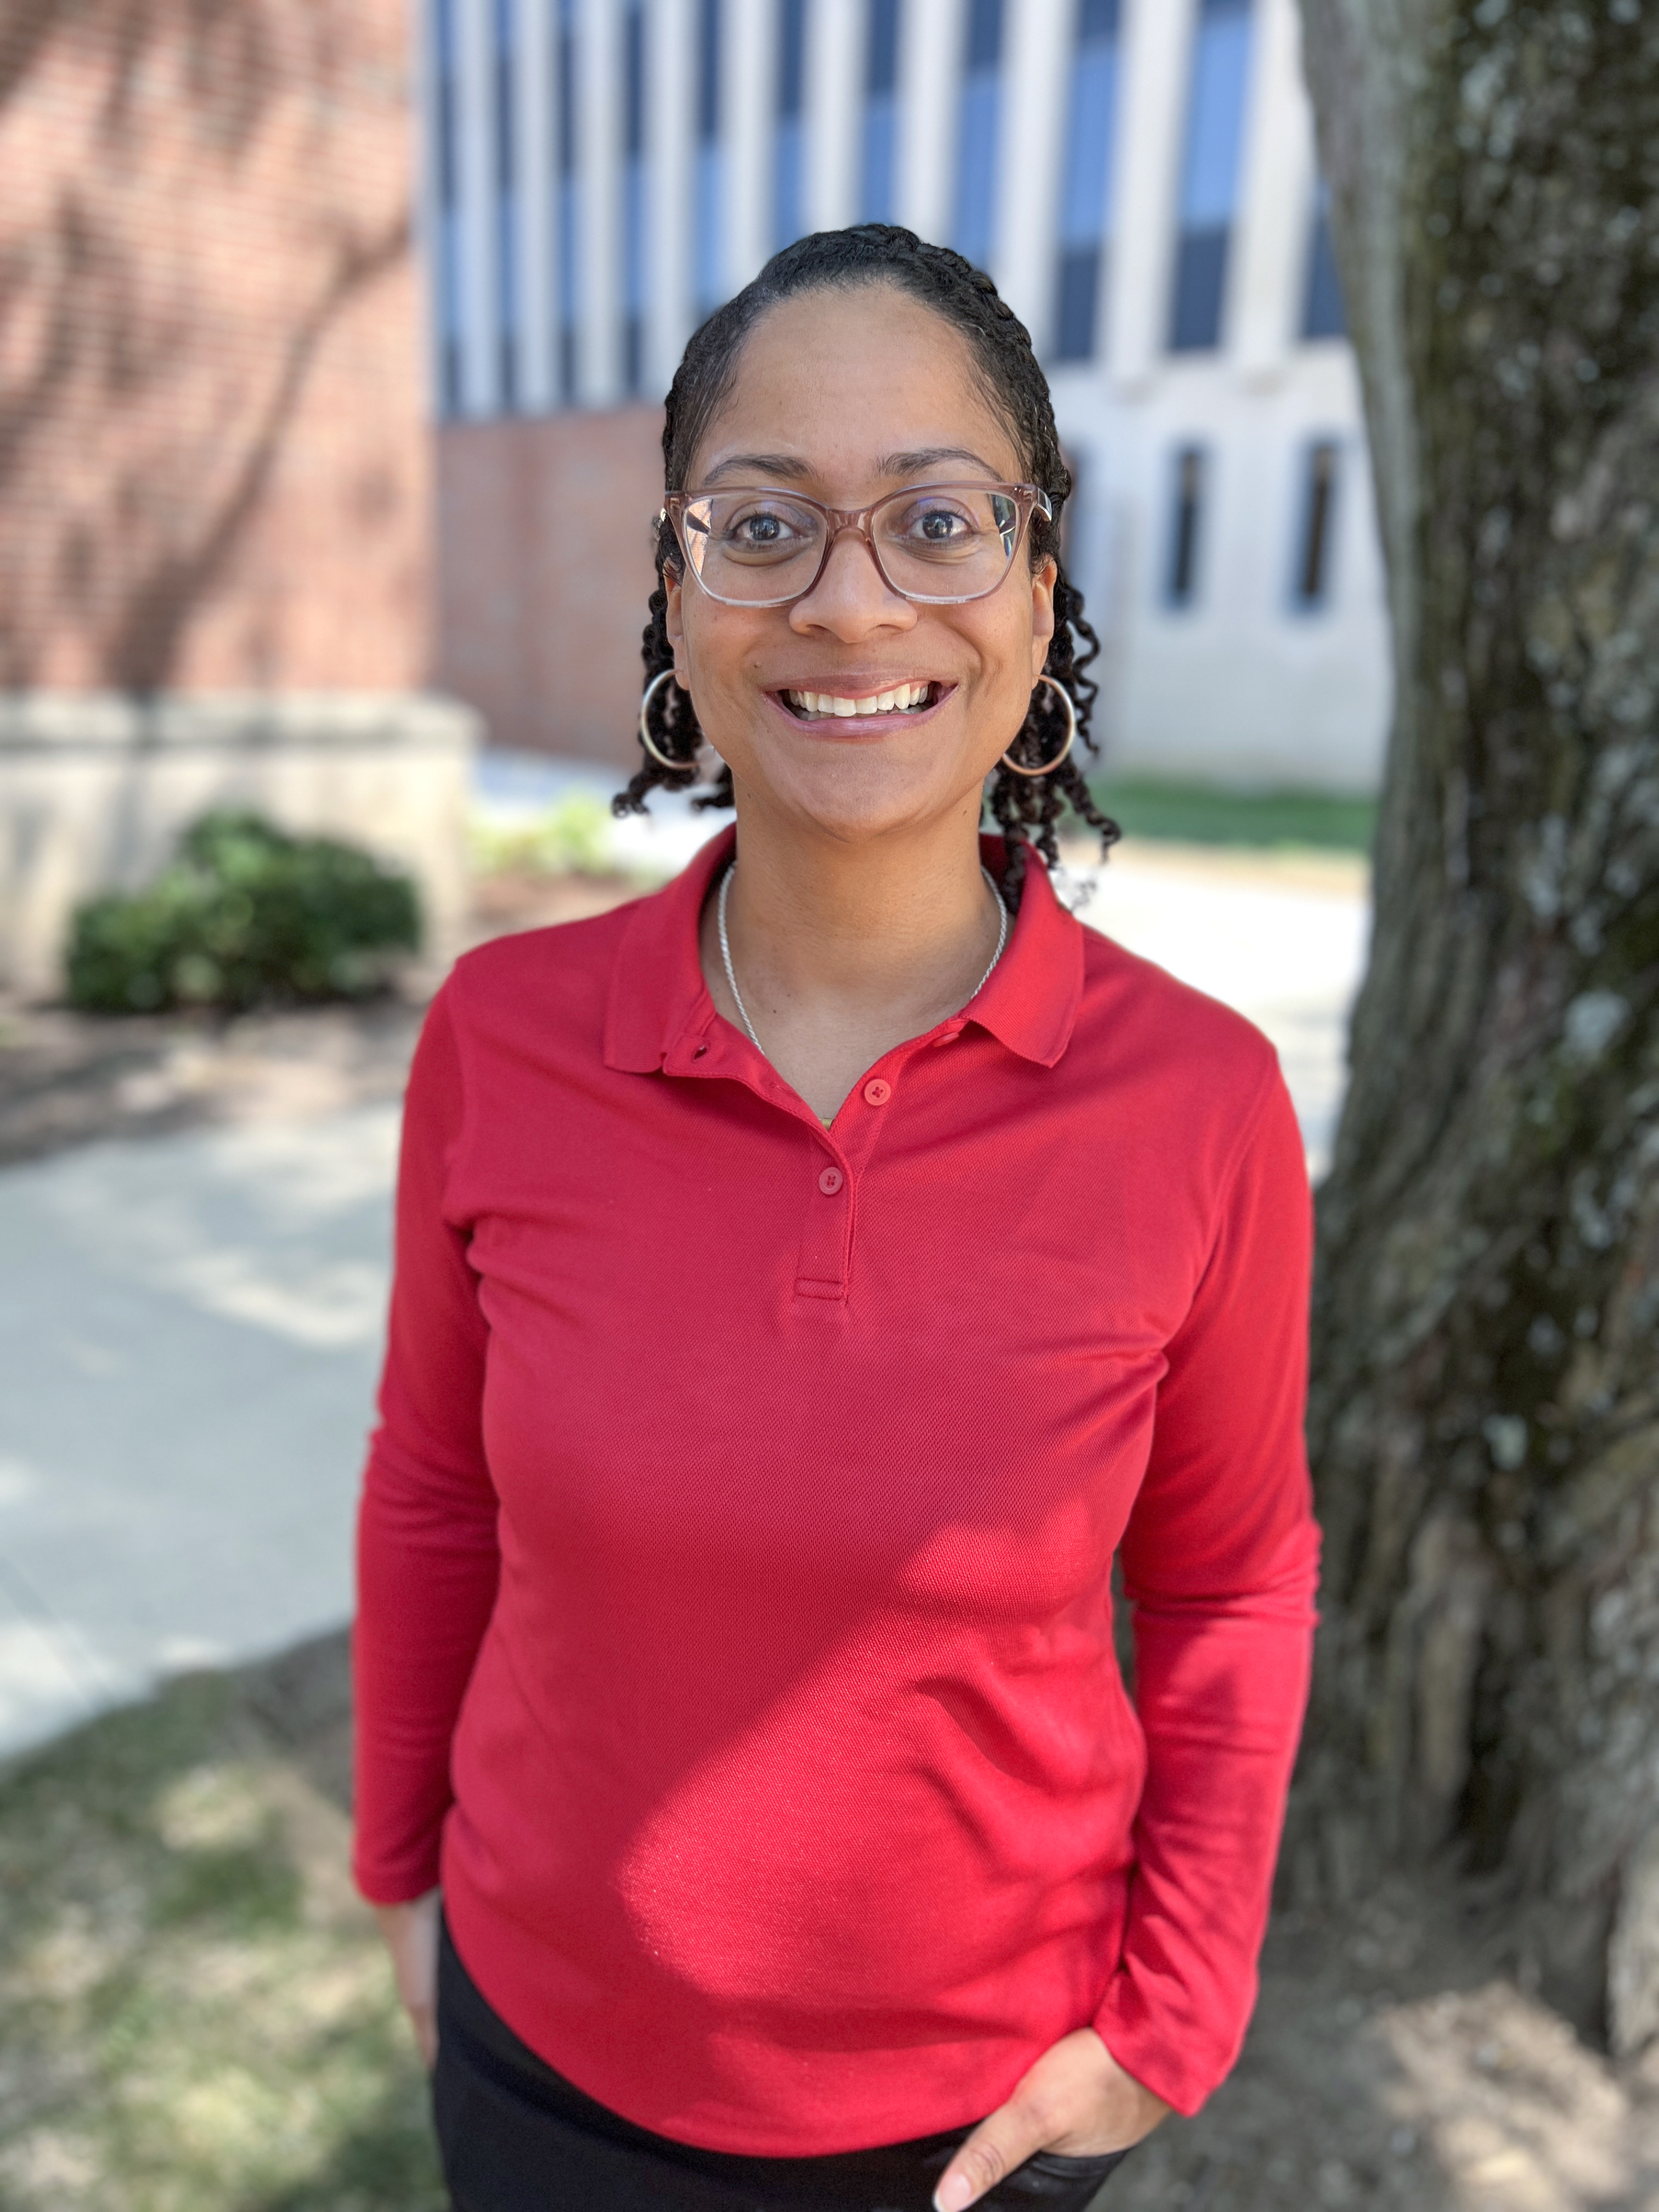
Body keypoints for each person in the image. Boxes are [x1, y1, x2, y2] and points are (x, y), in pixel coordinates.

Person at [353, 225, 1320, 2212]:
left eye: (939, 519)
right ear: (681, 590)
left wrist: (1171, 2023)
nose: (852, 602)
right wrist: (399, 1873)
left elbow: (1232, 1586)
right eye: (764, 522)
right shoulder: (502, 1038)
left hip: (977, 2135)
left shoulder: (1202, 1104)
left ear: (1040, 585)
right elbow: (434, 1486)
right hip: (542, 2072)